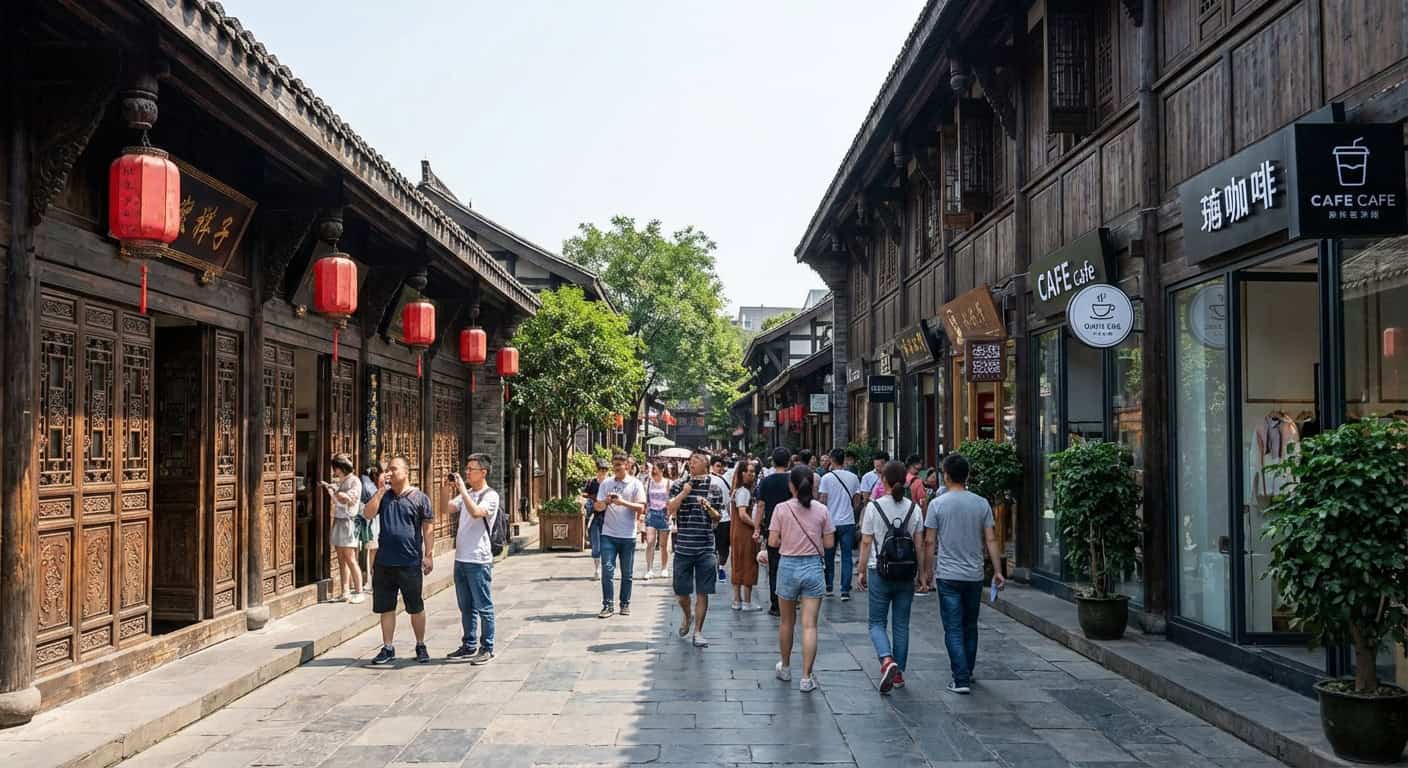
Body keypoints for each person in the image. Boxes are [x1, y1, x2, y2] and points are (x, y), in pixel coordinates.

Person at [924, 453, 1005, 694]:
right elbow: (990, 538)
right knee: (970, 625)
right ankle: (966, 671)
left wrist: (926, 572)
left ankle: (960, 678)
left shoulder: (937, 504)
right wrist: (998, 571)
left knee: (953, 627)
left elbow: (930, 542)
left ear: (946, 476)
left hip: (948, 575)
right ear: (967, 476)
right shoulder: (981, 503)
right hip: (974, 575)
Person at [362, 456, 434, 665]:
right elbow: (367, 513)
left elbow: (428, 529)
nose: (390, 473)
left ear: (406, 471)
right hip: (384, 562)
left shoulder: (420, 498)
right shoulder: (384, 497)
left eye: (393, 469)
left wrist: (428, 555)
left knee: (415, 607)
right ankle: (387, 647)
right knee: (386, 607)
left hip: (410, 561)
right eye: (388, 470)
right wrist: (381, 490)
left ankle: (420, 644)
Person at [768, 465, 834, 692]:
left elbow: (773, 542)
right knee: (809, 626)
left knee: (787, 622)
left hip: (787, 565)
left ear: (791, 486)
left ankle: (785, 667)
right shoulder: (822, 510)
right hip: (813, 567)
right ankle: (806, 677)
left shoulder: (781, 509)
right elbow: (829, 544)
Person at [858, 461, 921, 694]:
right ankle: (898, 674)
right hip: (906, 572)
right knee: (901, 624)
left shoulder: (874, 508)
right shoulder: (914, 509)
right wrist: (924, 574)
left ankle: (886, 660)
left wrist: (861, 570)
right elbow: (919, 544)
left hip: (879, 570)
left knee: (876, 622)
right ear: (905, 480)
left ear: (883, 480)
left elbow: (866, 542)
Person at [667, 450, 727, 647]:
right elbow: (669, 508)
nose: (692, 463)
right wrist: (684, 493)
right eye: (691, 461)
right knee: (681, 591)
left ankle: (698, 632)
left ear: (706, 465)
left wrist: (708, 508)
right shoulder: (678, 485)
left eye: (697, 460)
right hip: (683, 546)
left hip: (706, 547)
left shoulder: (714, 489)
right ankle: (687, 614)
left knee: (703, 591)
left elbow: (718, 517)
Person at [445, 453, 498, 665]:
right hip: (461, 558)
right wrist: (446, 487)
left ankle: (487, 646)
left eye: (471, 469)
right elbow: (446, 508)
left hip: (478, 559)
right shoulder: (466, 493)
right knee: (465, 606)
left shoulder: (490, 495)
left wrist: (462, 491)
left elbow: (476, 512)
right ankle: (468, 644)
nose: (467, 473)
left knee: (483, 605)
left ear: (483, 472)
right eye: (466, 469)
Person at [595, 453, 645, 618]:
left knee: (627, 573)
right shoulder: (606, 483)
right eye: (614, 464)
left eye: (619, 464)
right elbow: (598, 507)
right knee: (607, 570)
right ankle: (607, 605)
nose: (616, 467)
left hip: (627, 535)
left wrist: (622, 502)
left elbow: (641, 508)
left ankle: (625, 604)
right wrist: (607, 502)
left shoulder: (635, 484)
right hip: (608, 534)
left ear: (627, 466)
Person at [753, 447, 793, 616]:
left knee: (774, 567)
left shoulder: (765, 482)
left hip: (772, 528)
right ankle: (790, 601)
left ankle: (775, 604)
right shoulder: (793, 480)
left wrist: (756, 528)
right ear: (789, 461)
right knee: (791, 564)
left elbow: (760, 505)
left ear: (773, 462)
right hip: (792, 528)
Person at [817, 448, 860, 600]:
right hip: (848, 522)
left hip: (830, 522)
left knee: (829, 554)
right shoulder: (853, 477)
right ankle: (845, 590)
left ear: (832, 460)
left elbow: (823, 500)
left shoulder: (827, 478)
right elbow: (856, 500)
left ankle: (829, 586)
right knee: (847, 556)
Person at [325, 453, 365, 603]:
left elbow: (348, 499)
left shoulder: (354, 481)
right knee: (341, 559)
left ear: (340, 468)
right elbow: (338, 500)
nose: (334, 472)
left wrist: (337, 491)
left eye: (335, 468)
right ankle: (345, 590)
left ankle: (359, 590)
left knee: (350, 558)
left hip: (349, 521)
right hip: (339, 520)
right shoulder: (341, 481)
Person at [729, 460, 761, 611]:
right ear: (742, 473)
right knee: (748, 564)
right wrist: (756, 525)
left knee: (738, 563)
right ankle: (746, 601)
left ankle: (737, 600)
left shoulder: (737, 491)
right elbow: (742, 514)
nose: (752, 475)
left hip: (736, 532)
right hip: (744, 533)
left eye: (753, 472)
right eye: (749, 471)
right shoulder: (744, 492)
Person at [641, 463, 672, 579]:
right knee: (650, 543)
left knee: (663, 545)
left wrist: (670, 514)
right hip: (652, 513)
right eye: (653, 468)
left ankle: (664, 568)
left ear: (662, 469)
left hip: (664, 514)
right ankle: (649, 569)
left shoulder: (668, 482)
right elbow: (646, 499)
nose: (653, 470)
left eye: (655, 468)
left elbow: (670, 499)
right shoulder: (649, 482)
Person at [582, 459, 608, 578]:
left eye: (605, 470)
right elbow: (584, 495)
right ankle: (597, 569)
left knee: (607, 544)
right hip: (595, 516)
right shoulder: (592, 483)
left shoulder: (610, 483)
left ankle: (606, 568)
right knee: (596, 543)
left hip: (609, 518)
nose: (603, 472)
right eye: (601, 470)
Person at [710, 455, 732, 582]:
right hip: (710, 516)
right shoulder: (706, 479)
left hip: (723, 516)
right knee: (712, 546)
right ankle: (714, 566)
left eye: (721, 466)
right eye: (717, 466)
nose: (719, 469)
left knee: (723, 547)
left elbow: (729, 501)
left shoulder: (724, 480)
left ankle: (721, 566)